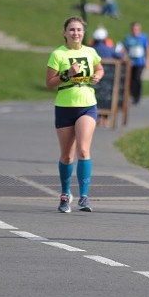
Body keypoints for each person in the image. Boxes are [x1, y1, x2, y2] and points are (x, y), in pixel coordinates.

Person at [46, 17, 104, 213]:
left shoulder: (90, 52)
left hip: (87, 105)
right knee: (67, 155)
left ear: (83, 33)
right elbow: (49, 83)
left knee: (83, 150)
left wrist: (98, 76)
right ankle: (64, 194)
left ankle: (84, 197)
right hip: (64, 105)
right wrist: (67, 74)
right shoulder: (58, 54)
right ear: (64, 33)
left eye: (79, 30)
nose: (75, 33)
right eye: (71, 30)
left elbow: (99, 68)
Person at [123, 22, 149, 105]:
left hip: (140, 62)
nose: (135, 31)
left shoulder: (144, 37)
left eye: (136, 29)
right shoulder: (128, 38)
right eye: (133, 29)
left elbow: (148, 49)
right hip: (131, 62)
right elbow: (125, 49)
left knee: (137, 78)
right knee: (130, 79)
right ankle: (132, 94)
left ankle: (137, 96)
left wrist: (148, 60)